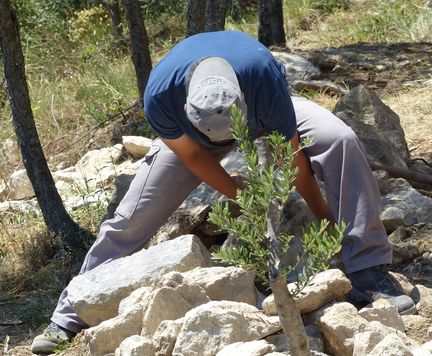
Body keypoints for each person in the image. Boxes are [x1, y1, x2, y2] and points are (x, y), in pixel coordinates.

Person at [31, 30, 416, 354]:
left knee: (340, 139)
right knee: (133, 215)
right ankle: (67, 317)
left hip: (263, 114)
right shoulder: (161, 94)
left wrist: (325, 219)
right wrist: (244, 199)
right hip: (192, 141)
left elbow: (293, 158)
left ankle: (368, 269)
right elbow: (196, 157)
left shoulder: (261, 76)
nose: (231, 143)